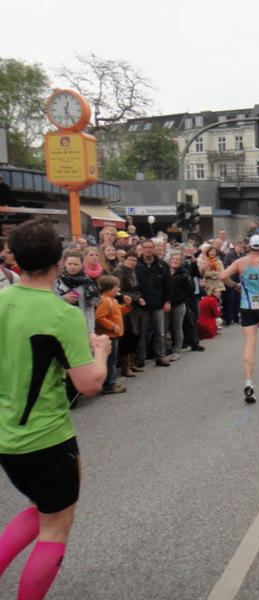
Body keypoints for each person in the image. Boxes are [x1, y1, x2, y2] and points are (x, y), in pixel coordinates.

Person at [0, 217, 110, 598]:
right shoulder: (60, 314)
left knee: (39, 508)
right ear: (59, 261)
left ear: (15, 259)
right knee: (56, 525)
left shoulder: (1, 300)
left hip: (5, 436)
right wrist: (100, 352)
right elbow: (89, 384)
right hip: (46, 435)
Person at [220, 234, 259, 402]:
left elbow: (222, 276)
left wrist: (235, 285)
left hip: (247, 306)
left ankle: (248, 381)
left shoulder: (241, 263)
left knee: (249, 343)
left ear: (249, 247)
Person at [134, 239, 172, 368]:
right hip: (142, 304)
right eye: (145, 247)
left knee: (160, 332)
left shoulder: (162, 265)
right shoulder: (136, 265)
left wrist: (167, 301)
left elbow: (168, 285)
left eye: (150, 247)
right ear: (141, 249)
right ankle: (140, 358)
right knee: (142, 332)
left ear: (154, 249)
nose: (148, 250)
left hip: (158, 303)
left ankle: (160, 356)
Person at [94, 275, 133, 394]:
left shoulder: (112, 300)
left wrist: (127, 306)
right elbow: (99, 317)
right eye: (117, 287)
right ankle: (109, 384)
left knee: (112, 360)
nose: (119, 289)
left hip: (114, 335)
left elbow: (118, 312)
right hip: (109, 335)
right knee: (110, 362)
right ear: (109, 288)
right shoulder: (105, 301)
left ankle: (111, 382)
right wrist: (112, 326)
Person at [56, 250, 102, 334]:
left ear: (82, 265)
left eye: (76, 264)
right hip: (59, 322)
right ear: (65, 263)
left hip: (79, 322)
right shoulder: (57, 280)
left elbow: (90, 307)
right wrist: (62, 298)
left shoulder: (87, 282)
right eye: (69, 264)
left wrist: (91, 331)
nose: (72, 267)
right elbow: (49, 299)